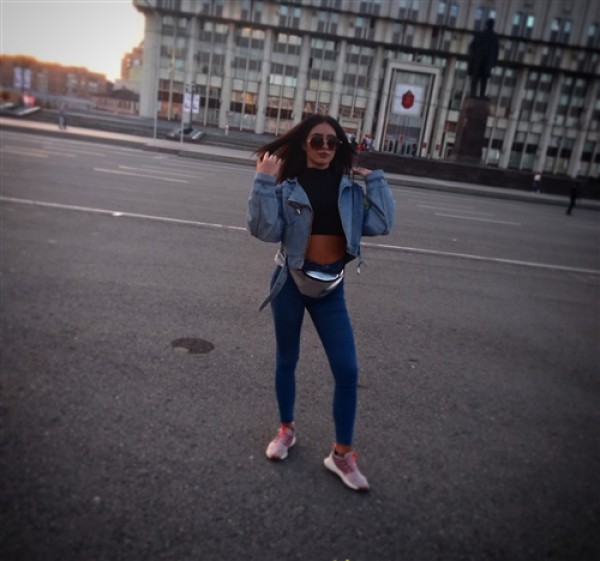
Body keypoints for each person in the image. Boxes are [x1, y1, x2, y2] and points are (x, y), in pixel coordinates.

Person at [246, 114, 396, 492]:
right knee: (287, 359)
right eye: (317, 140)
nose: (325, 147)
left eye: (333, 141)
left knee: (347, 369)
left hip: (331, 290)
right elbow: (264, 230)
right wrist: (263, 179)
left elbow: (381, 224)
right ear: (304, 144)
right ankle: (286, 430)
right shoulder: (288, 188)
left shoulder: (350, 191)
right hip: (290, 284)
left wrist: (375, 180)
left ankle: (341, 454)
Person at [468, 18, 499, 98]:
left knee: (482, 78)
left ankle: (479, 94)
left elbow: (496, 50)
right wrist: (474, 57)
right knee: (478, 77)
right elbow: (472, 47)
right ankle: (474, 94)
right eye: (490, 24)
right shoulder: (483, 35)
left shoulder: (493, 36)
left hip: (484, 61)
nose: (491, 25)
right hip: (480, 60)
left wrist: (493, 61)